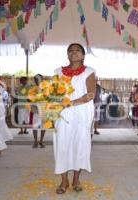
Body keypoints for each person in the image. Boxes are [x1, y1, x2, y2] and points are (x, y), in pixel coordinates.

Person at [53, 43, 96, 194]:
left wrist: (70, 103)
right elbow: (53, 92)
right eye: (70, 50)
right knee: (62, 144)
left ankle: (76, 179)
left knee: (80, 143)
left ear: (83, 55)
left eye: (77, 50)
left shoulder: (89, 71)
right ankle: (64, 181)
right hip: (63, 113)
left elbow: (91, 94)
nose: (74, 52)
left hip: (82, 112)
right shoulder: (58, 71)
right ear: (67, 55)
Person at [31, 74, 46, 148]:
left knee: (43, 127)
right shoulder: (33, 89)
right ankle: (35, 141)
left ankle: (41, 141)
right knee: (35, 127)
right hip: (36, 110)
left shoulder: (46, 88)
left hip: (44, 110)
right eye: (36, 79)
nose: (38, 80)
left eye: (40, 79)